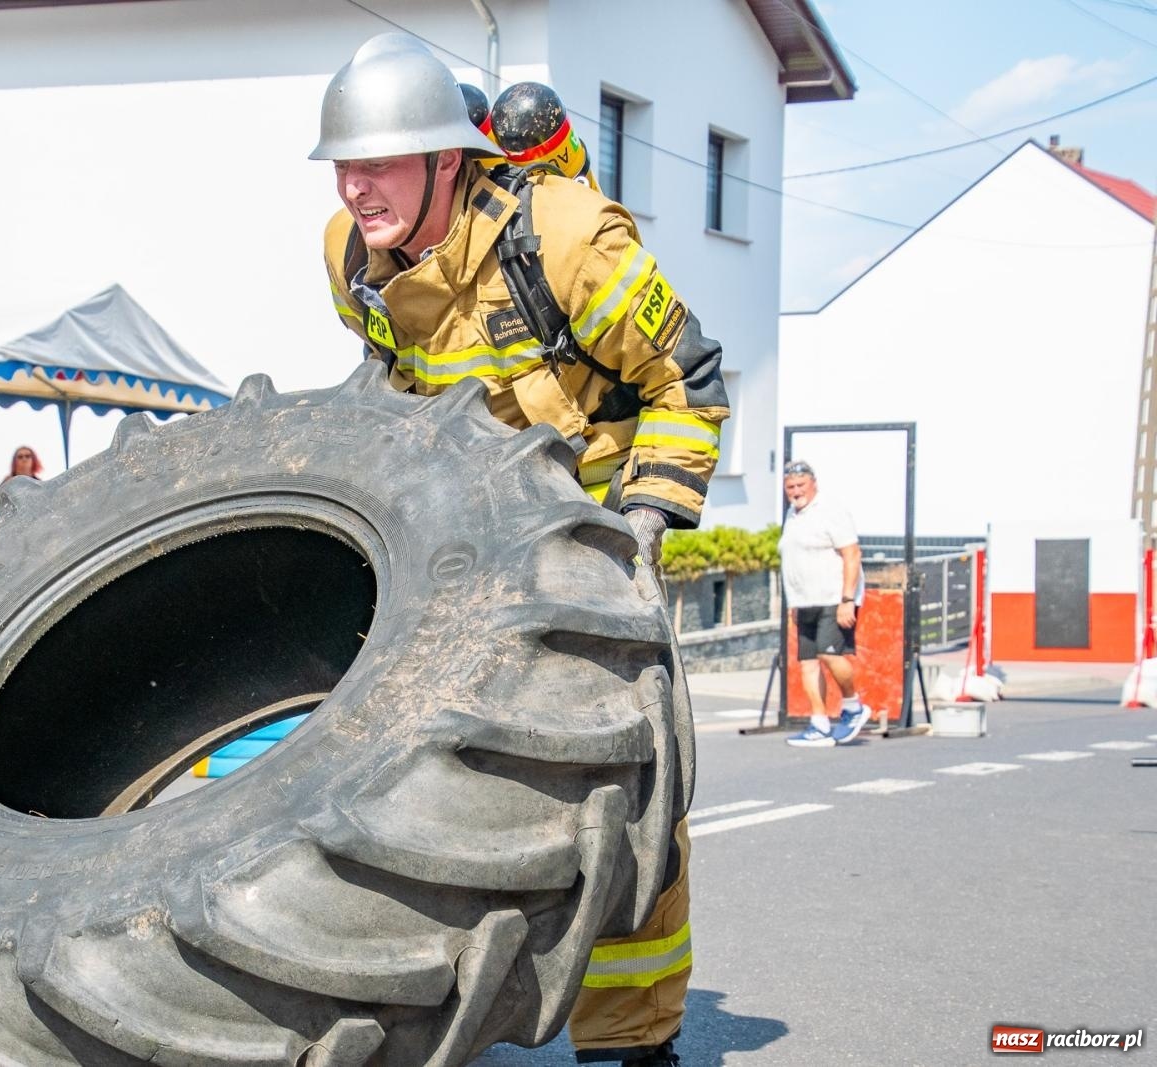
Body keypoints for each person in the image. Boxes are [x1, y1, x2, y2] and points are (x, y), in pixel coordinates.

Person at [314, 35, 728, 1065]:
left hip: (594, 534)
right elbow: (389, 395)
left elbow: (689, 380)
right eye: (344, 163)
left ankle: (634, 1037)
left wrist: (635, 533)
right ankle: (438, 1001)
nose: (356, 186)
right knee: (407, 770)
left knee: (627, 793)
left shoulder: (567, 239)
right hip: (468, 550)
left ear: (449, 160)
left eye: (382, 162)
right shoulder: (346, 256)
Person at [778, 460, 869, 748]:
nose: (795, 491)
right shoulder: (793, 515)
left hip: (833, 598)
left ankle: (853, 706)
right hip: (804, 602)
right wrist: (793, 604)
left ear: (813, 483)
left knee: (829, 655)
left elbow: (852, 554)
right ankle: (819, 723)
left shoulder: (831, 510)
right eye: (790, 487)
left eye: (800, 485)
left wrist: (847, 599)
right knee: (807, 664)